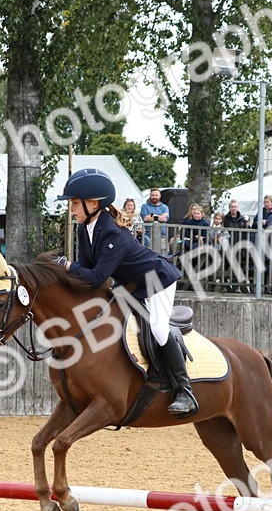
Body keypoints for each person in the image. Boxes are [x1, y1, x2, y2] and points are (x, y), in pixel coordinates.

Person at [57, 167, 194, 417]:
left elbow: (98, 276)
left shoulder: (112, 232)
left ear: (93, 204)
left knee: (158, 328)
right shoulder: (84, 229)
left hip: (157, 280)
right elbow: (85, 271)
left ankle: (184, 391)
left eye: (75, 203)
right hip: (130, 284)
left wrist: (66, 266)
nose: (72, 209)